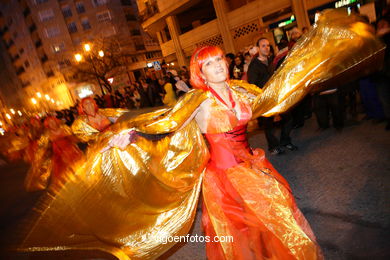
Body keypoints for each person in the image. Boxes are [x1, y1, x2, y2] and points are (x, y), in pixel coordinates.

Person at [18, 10, 384, 260]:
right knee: (237, 236)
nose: (218, 65)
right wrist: (128, 136)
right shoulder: (197, 100)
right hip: (222, 180)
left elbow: (273, 95)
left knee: (277, 218)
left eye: (220, 59)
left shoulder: (240, 89)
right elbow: (164, 123)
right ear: (200, 72)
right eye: (208, 63)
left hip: (252, 169)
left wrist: (313, 66)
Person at [248, 37, 297, 155]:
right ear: (258, 48)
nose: (266, 48)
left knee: (288, 118)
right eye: (263, 46)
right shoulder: (254, 66)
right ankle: (273, 147)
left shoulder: (272, 61)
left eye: (268, 45)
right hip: (264, 99)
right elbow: (252, 85)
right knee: (268, 125)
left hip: (277, 96)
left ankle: (285, 141)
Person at [24, 116, 84, 191]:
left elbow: (75, 139)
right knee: (64, 176)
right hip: (58, 158)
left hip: (71, 152)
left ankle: (80, 183)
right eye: (50, 123)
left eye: (53, 122)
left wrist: (70, 137)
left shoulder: (64, 128)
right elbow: (43, 147)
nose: (52, 124)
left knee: (78, 170)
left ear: (56, 122)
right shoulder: (47, 135)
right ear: (48, 125)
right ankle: (72, 188)